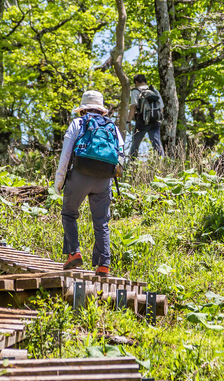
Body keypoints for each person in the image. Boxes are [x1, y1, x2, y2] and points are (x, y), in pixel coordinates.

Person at [54, 90, 124, 279]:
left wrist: (59, 181)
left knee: (69, 214)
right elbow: (121, 155)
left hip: (80, 174)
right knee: (101, 223)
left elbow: (66, 154)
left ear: (83, 109)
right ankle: (103, 266)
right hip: (104, 178)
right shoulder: (112, 126)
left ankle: (74, 253)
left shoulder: (78, 123)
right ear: (101, 110)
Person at [128, 74, 164, 158]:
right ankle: (163, 162)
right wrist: (157, 118)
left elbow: (133, 107)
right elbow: (161, 107)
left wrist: (128, 121)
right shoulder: (154, 91)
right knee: (157, 144)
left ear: (136, 82)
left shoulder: (135, 91)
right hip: (155, 121)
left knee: (135, 144)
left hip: (142, 121)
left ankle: (131, 164)